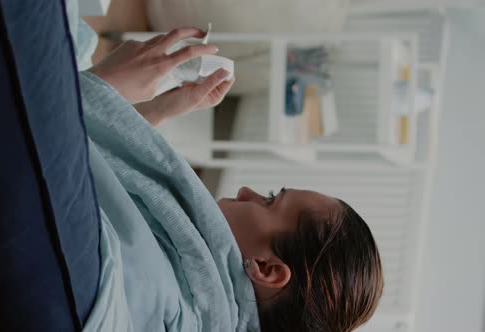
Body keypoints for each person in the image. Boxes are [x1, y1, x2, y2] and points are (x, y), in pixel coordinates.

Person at [84, 26, 383, 332]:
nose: (245, 192)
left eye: (269, 201)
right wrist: (153, 111)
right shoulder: (190, 308)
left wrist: (105, 84)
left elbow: (47, 158)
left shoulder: (141, 281)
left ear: (267, 269)